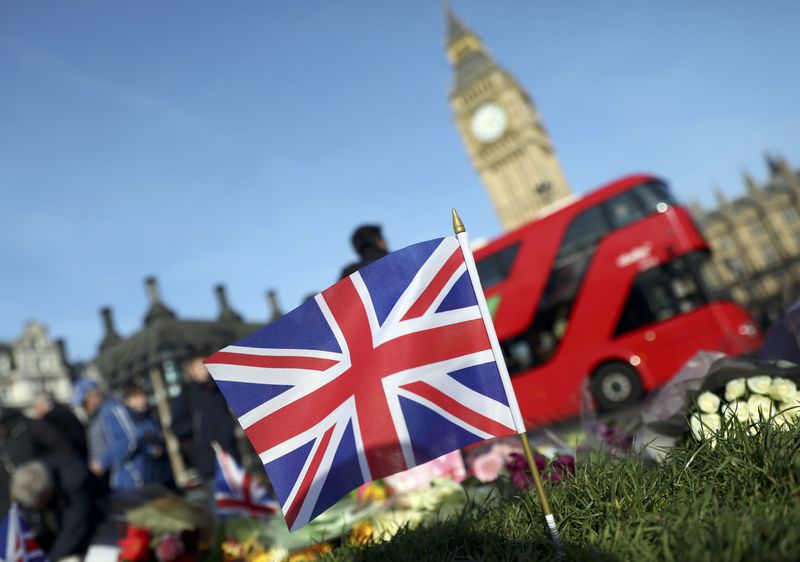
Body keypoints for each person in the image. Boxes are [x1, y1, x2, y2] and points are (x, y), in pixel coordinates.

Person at [0, 408, 96, 561]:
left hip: (55, 489)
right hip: (24, 498)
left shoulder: (29, 429)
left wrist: (52, 558)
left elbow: (75, 525)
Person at [73, 378, 154, 491]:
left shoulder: (112, 410)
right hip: (116, 477)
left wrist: (102, 461)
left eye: (84, 402)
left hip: (131, 477)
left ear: (93, 396)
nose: (83, 407)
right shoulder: (97, 416)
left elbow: (129, 438)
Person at [171, 357, 240, 480]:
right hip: (207, 460)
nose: (203, 370)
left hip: (230, 454)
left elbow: (229, 416)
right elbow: (176, 427)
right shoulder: (186, 395)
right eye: (198, 367)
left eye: (204, 366)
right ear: (191, 370)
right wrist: (197, 426)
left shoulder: (218, 389)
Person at [32, 391, 88, 460]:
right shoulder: (63, 410)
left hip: (71, 457)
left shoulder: (50, 418)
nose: (35, 411)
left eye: (36, 407)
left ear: (42, 405)